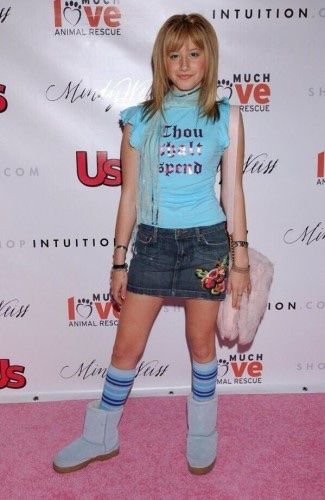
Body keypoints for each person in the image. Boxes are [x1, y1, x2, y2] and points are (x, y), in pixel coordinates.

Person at [53, 13, 251, 475]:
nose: (184, 64)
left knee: (201, 344)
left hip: (206, 243)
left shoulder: (229, 116)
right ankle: (99, 434)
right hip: (155, 244)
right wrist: (119, 260)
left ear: (209, 58)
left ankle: (202, 432)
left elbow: (234, 190)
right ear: (161, 59)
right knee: (126, 348)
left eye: (195, 53)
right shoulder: (139, 119)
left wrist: (239, 258)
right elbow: (128, 195)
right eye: (174, 53)